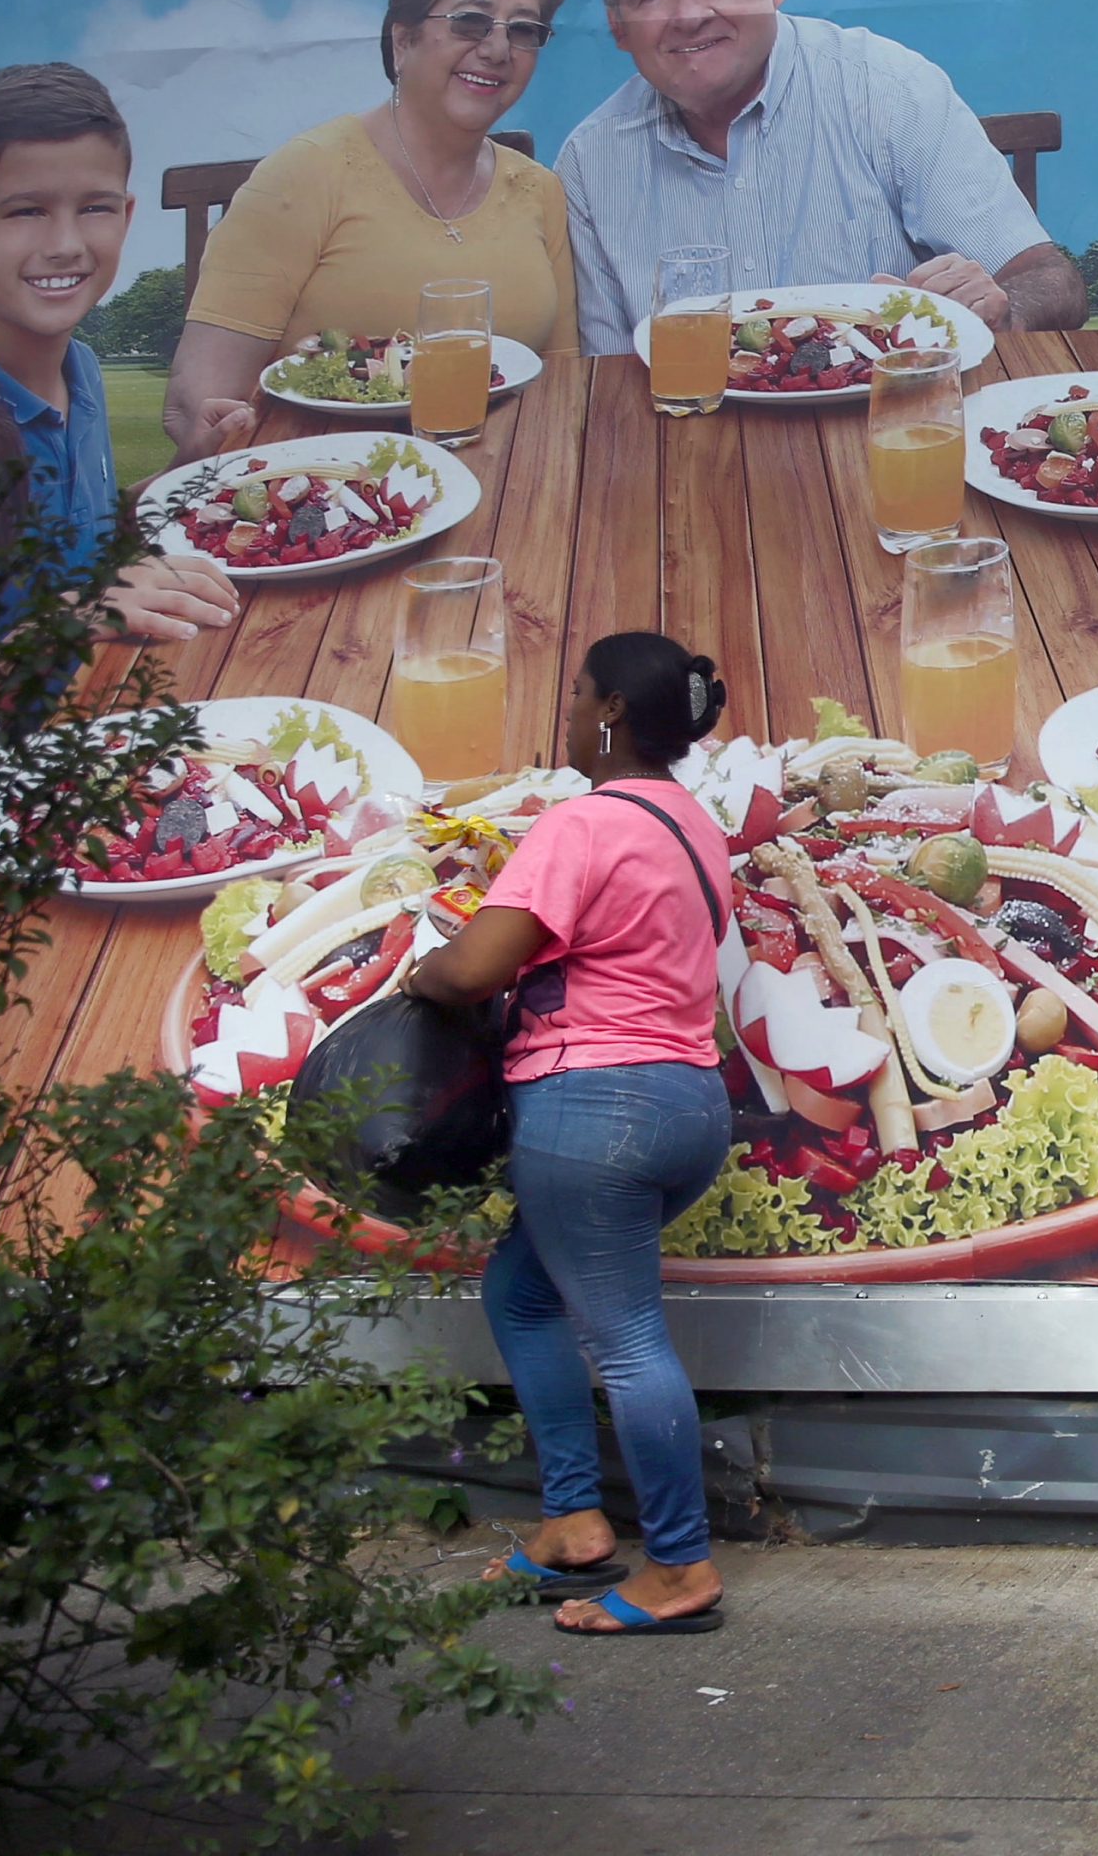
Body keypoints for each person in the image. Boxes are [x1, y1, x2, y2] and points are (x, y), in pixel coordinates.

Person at [405, 632, 738, 1636]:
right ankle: (572, 1521)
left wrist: (424, 975)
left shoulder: (580, 823)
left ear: (609, 715)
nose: (564, 713)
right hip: (687, 1101)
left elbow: (473, 969)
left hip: (592, 1107)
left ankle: (679, 1567)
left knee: (629, 1340)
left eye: (576, 695)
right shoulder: (695, 824)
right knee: (521, 1285)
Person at [558, 0, 1086, 356]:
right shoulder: (591, 161)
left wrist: (1004, 310)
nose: (691, 14)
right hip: (693, 441)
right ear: (618, 28)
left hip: (887, 425)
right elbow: (607, 378)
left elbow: (1051, 279)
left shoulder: (889, 89)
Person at [165, 0, 583, 460]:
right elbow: (193, 406)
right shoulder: (303, 175)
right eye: (470, 21)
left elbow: (563, 391)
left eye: (523, 29)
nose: (498, 49)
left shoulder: (540, 190)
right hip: (332, 505)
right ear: (403, 39)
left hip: (508, 492)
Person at [0, 64, 236, 642]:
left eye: (94, 208)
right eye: (25, 211)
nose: (65, 245)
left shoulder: (80, 367)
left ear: (126, 216)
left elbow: (86, 547)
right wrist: (71, 619)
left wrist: (185, 468)